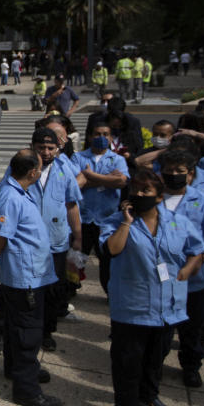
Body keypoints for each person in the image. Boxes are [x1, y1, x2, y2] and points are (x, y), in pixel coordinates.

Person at [99, 169, 203, 406]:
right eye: (136, 190)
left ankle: (149, 395)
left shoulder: (177, 222)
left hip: (168, 306)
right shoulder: (116, 221)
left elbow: (197, 250)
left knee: (156, 357)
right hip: (132, 307)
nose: (139, 195)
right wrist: (126, 221)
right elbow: (112, 249)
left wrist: (187, 270)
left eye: (146, 191)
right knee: (128, 360)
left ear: (159, 195)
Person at [0, 130, 82, 357]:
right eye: (42, 147)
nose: (46, 152)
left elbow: (72, 204)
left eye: (51, 148)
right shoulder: (20, 168)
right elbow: (6, 206)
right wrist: (0, 244)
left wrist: (78, 236)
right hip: (23, 248)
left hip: (55, 242)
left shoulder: (64, 169)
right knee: (12, 294)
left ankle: (45, 333)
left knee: (51, 292)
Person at [0, 150, 62, 406]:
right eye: (39, 168)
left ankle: (16, 370)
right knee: (27, 333)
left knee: (15, 328)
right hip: (25, 276)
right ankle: (27, 390)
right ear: (32, 173)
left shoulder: (20, 190)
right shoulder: (11, 197)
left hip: (28, 272)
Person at [155, 151, 204, 388]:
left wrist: (199, 258)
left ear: (190, 174)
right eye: (169, 171)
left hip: (195, 279)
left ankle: (191, 366)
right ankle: (154, 365)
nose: (173, 175)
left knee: (192, 328)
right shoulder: (152, 198)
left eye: (179, 171)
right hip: (161, 278)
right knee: (160, 329)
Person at [73, 118, 130, 293]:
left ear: (111, 138)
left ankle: (110, 291)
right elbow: (75, 185)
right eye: (97, 134)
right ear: (89, 137)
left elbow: (122, 181)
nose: (101, 137)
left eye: (105, 134)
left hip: (108, 219)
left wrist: (89, 175)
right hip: (83, 217)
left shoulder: (117, 159)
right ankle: (71, 288)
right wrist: (107, 180)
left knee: (107, 259)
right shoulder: (78, 157)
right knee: (77, 257)